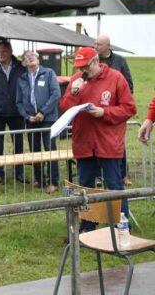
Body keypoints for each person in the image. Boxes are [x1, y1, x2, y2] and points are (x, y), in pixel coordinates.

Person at [59, 47, 136, 231]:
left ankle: (121, 225)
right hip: (84, 143)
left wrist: (104, 112)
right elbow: (64, 108)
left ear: (95, 61)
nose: (82, 71)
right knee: (84, 186)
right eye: (79, 68)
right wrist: (73, 93)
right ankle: (87, 225)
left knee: (114, 185)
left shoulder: (116, 78)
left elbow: (129, 108)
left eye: (85, 67)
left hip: (108, 143)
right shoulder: (76, 81)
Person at [15, 50, 61, 193]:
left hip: (48, 119)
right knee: (35, 151)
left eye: (32, 56)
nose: (30, 58)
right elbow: (18, 102)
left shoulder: (48, 73)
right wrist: (27, 116)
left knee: (50, 149)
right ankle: (39, 179)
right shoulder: (21, 79)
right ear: (23, 63)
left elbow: (56, 94)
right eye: (26, 57)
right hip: (31, 120)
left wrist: (43, 112)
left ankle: (53, 182)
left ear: (38, 59)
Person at [94, 34, 134, 186]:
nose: (95, 46)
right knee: (97, 144)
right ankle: (99, 176)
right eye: (95, 43)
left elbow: (129, 84)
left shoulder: (119, 61)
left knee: (118, 144)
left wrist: (121, 105)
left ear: (107, 46)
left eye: (98, 44)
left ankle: (123, 175)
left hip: (115, 111)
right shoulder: (93, 60)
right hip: (98, 111)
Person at [0, 40, 27, 184]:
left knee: (18, 143)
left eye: (4, 51)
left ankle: (19, 172)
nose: (1, 54)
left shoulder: (20, 68)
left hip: (17, 111)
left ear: (11, 52)